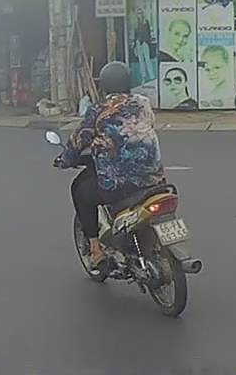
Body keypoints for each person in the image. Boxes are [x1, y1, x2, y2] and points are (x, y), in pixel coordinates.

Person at [56, 62, 166, 268]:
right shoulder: (143, 103)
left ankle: (96, 249)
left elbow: (80, 138)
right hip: (154, 178)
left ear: (104, 84)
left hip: (119, 184)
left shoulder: (99, 109)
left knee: (80, 190)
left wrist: (66, 158)